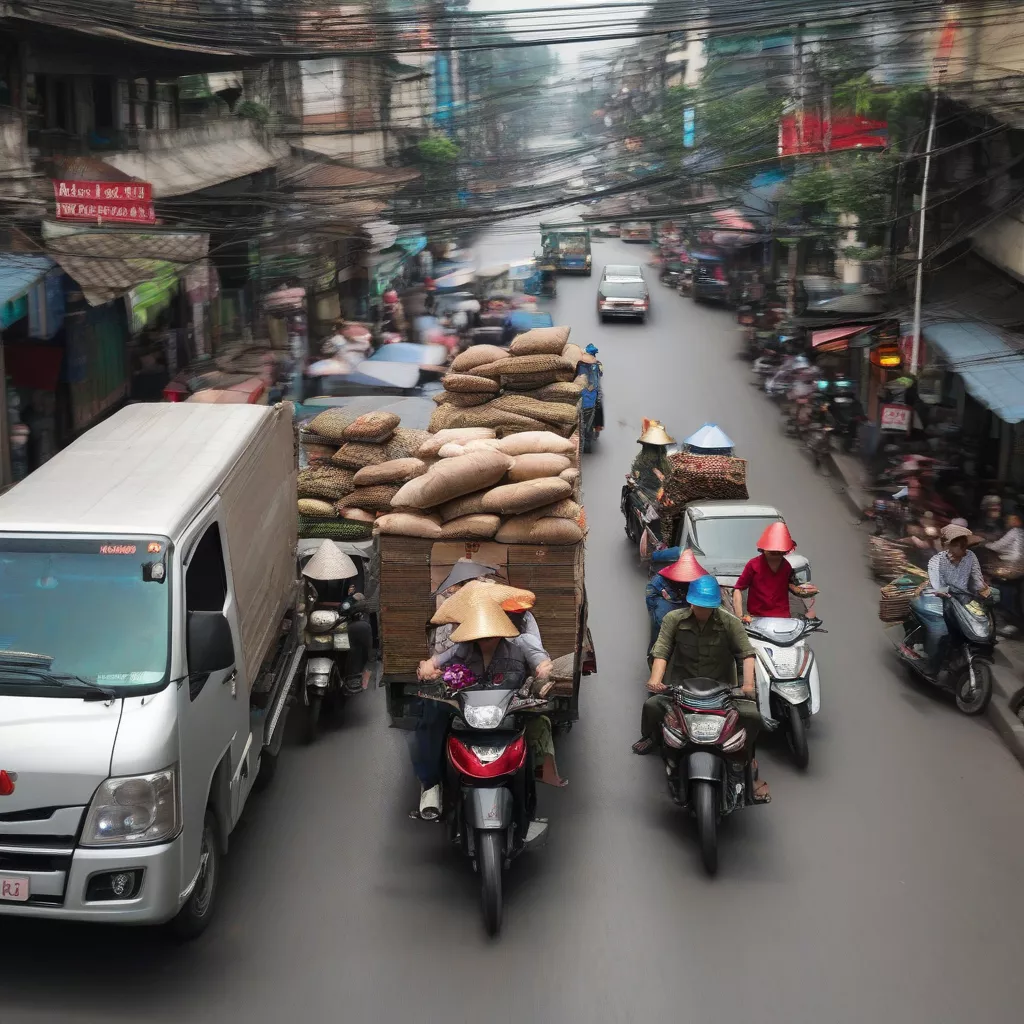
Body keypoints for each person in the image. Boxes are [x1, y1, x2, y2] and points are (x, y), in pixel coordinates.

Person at [632, 575, 769, 802]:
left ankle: (748, 758)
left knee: (752, 715)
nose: (703, 610)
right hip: (682, 688)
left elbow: (746, 654)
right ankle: (653, 739)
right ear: (691, 602)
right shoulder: (673, 619)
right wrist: (656, 680)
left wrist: (747, 686)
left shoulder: (729, 623)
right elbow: (662, 651)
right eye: (699, 605)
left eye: (708, 606)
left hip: (721, 691)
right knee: (652, 706)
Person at [414, 599, 554, 819]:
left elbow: (542, 662)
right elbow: (434, 662)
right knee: (430, 713)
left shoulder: (522, 643)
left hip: (508, 713)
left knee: (535, 727)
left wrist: (543, 671)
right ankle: (432, 786)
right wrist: (427, 670)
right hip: (469, 714)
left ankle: (528, 799)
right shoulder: (463, 648)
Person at [910, 522, 992, 674]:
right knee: (941, 630)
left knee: (973, 626)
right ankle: (932, 665)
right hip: (937, 597)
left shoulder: (971, 557)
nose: (961, 548)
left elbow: (977, 580)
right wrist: (942, 592)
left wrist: (985, 591)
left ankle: (956, 659)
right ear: (949, 545)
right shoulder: (937, 560)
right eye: (956, 544)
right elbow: (936, 583)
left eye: (963, 544)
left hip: (961, 599)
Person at [301, 541, 374, 691]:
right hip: (313, 613)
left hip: (343, 614)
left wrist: (350, 604)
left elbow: (357, 593)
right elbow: (301, 592)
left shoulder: (353, 565)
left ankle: (354, 673)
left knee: (361, 628)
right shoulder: (307, 568)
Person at [732, 522, 817, 622]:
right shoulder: (753, 565)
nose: (775, 554)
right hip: (757, 618)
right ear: (763, 549)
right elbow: (738, 589)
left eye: (779, 552)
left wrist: (803, 591)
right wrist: (740, 616)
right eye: (772, 552)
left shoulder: (787, 566)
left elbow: (789, 585)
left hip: (783, 618)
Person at [645, 548, 707, 656]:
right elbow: (654, 556)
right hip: (663, 595)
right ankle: (653, 654)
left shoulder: (702, 570)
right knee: (661, 623)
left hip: (683, 596)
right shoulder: (677, 554)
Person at [577, 344, 604, 443]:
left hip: (591, 390)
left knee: (599, 404)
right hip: (583, 390)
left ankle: (597, 427)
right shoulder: (579, 364)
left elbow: (599, 375)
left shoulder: (596, 365)